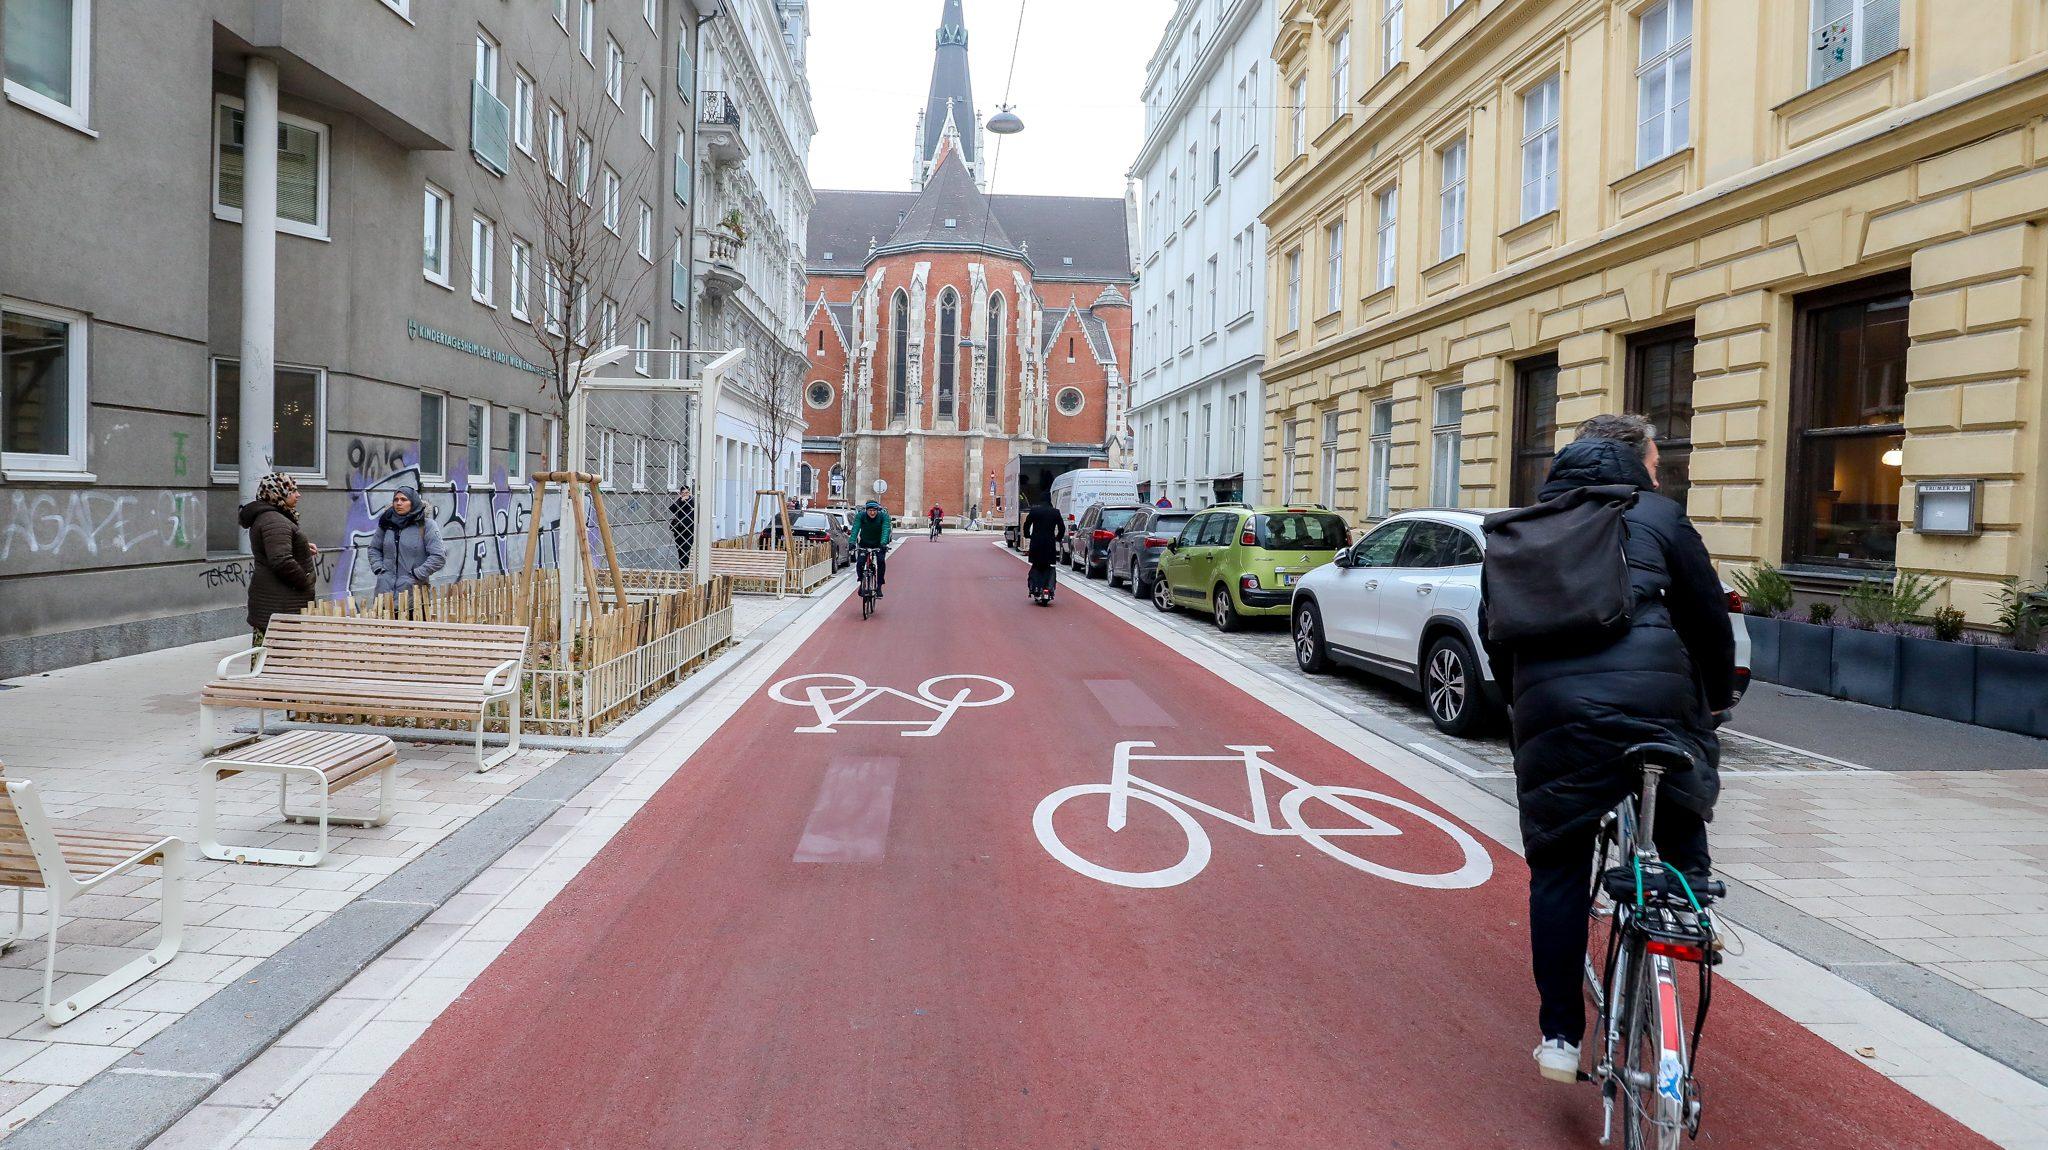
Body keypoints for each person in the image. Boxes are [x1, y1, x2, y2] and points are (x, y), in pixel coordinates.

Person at [1479, 413, 1736, 1084]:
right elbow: (1707, 617)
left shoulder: (1520, 529)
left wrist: (1524, 705)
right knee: (1676, 772)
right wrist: (1711, 700)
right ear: (1634, 465)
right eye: (1655, 463)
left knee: (1559, 870)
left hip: (1553, 710)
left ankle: (1561, 1036)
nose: (1658, 473)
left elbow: (1496, 636)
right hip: (1656, 695)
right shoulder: (1660, 515)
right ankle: (1687, 899)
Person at [240, 473, 318, 643]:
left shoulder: (271, 518)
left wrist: (302, 548)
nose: (298, 495)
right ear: (278, 493)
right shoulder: (275, 521)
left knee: (268, 657)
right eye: (292, 490)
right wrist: (305, 581)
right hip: (281, 603)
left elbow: (275, 550)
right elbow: (281, 561)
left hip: (277, 601)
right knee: (279, 660)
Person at [371, 487, 447, 599]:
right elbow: (374, 549)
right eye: (396, 500)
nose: (399, 503)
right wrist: (379, 569)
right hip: (385, 593)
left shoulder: (426, 525)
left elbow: (438, 557)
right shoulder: (387, 523)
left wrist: (416, 574)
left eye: (403, 499)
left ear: (413, 502)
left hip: (413, 595)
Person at [1021, 491, 1066, 602]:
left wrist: (1028, 535)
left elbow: (1026, 524)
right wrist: (1057, 539)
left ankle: (1035, 587)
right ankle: (1048, 587)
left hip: (1036, 543)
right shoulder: (1055, 512)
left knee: (1036, 565)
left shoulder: (1035, 511)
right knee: (1048, 565)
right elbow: (1062, 528)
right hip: (1049, 543)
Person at [852, 500, 892, 595]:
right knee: (860, 562)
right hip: (864, 543)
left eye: (874, 510)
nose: (872, 512)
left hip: (879, 544)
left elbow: (886, 529)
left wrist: (883, 543)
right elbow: (855, 529)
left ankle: (879, 586)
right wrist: (852, 542)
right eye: (870, 510)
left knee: (881, 561)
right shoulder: (860, 516)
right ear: (866, 510)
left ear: (878, 510)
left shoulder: (884, 516)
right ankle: (862, 582)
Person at [668, 485, 696, 569]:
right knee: (680, 549)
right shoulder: (679, 501)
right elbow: (672, 509)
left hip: (689, 530)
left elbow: (694, 508)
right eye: (683, 493)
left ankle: (685, 567)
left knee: (687, 548)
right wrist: (681, 501)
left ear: (690, 493)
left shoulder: (692, 502)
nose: (685, 494)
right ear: (680, 494)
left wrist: (687, 500)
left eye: (687, 492)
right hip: (679, 530)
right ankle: (682, 567)